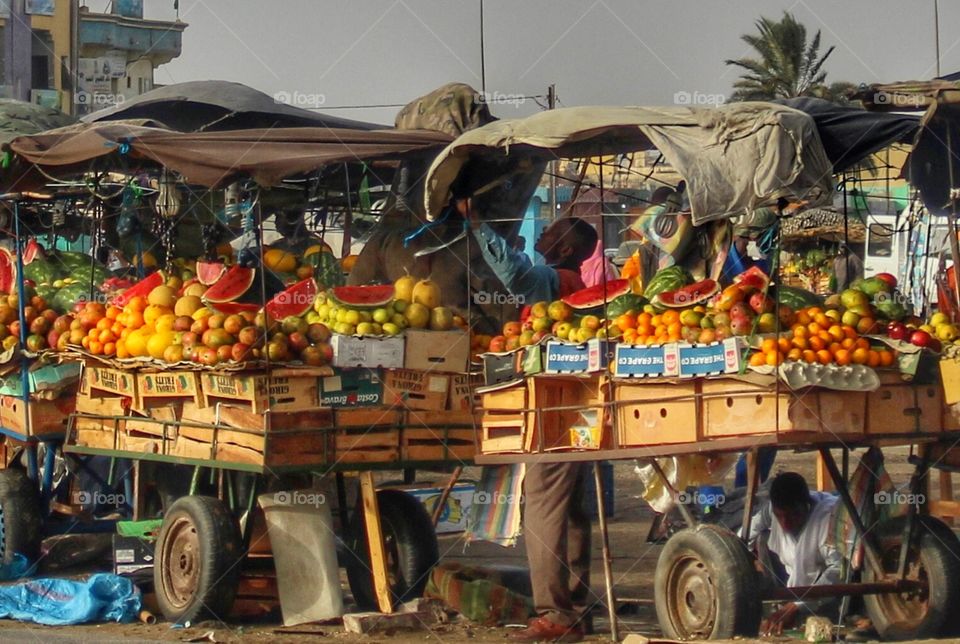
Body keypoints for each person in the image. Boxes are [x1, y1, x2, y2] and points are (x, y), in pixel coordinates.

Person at [455, 193, 597, 643]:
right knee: (570, 508)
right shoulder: (575, 283)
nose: (546, 234)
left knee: (541, 501)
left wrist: (478, 223)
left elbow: (515, 273)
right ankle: (577, 605)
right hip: (581, 407)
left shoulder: (553, 282)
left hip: (554, 408)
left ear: (566, 249)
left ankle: (555, 613)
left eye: (553, 232)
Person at [743, 472, 842, 636]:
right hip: (788, 578)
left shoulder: (827, 517)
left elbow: (838, 570)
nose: (785, 523)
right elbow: (745, 535)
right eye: (780, 516)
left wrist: (798, 605)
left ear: (807, 505)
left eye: (793, 515)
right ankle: (778, 604)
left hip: (827, 592)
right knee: (762, 538)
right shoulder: (771, 510)